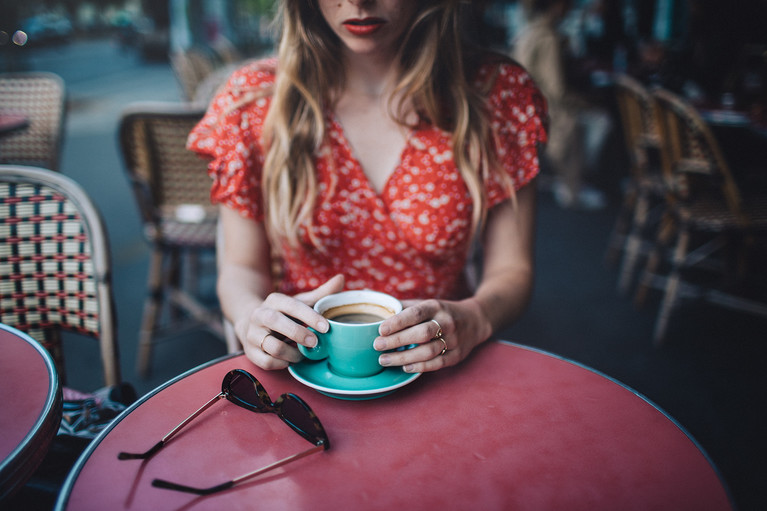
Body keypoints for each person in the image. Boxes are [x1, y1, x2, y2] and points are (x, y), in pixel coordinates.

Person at [188, 0, 547, 375]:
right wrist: (249, 316)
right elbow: (241, 268)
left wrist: (475, 317)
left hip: (437, 365)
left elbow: (512, 270)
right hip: (303, 371)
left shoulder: (496, 93)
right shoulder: (255, 100)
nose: (359, 2)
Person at [513, 0, 610, 210]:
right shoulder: (549, 37)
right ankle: (573, 182)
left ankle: (570, 178)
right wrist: (586, 102)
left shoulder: (531, 30)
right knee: (601, 120)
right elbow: (558, 91)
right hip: (548, 108)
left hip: (527, 105)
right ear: (558, 6)